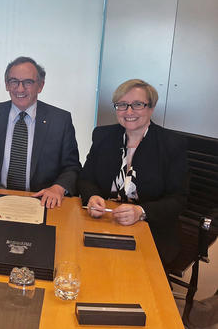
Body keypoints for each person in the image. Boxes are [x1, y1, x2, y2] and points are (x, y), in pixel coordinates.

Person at [78, 79, 188, 264]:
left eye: (137, 104)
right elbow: (85, 179)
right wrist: (92, 197)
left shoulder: (172, 144)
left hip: (151, 228)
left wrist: (141, 211)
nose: (128, 111)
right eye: (122, 105)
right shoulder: (103, 135)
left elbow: (178, 199)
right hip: (105, 222)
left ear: (151, 108)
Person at [0, 56, 81, 208]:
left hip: (42, 201)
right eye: (14, 81)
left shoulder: (60, 120)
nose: (20, 89)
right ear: (6, 84)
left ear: (40, 86)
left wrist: (57, 188)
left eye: (28, 82)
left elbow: (72, 168)